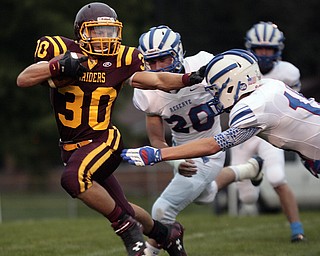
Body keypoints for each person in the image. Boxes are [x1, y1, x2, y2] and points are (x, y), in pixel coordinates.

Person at [16, 3, 207, 256]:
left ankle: (127, 229)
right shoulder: (62, 49)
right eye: (98, 32)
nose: (105, 38)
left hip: (104, 140)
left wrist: (186, 79)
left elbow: (158, 80)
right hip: (72, 149)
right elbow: (24, 79)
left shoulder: (123, 58)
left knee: (73, 180)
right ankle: (166, 234)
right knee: (121, 205)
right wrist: (58, 66)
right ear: (81, 33)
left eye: (109, 31)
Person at [121, 48, 320, 218]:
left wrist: (159, 154)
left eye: (217, 88)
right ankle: (245, 171)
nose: (214, 95)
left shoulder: (250, 109)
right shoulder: (269, 86)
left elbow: (213, 145)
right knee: (204, 195)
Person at [133, 25, 227, 255]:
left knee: (162, 210)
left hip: (211, 150)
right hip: (181, 152)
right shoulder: (147, 93)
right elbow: (156, 138)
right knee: (206, 195)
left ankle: (148, 253)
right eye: (151, 62)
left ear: (178, 53)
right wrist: (175, 162)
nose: (157, 68)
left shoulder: (203, 65)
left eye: (163, 60)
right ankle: (249, 169)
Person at [228, 21, 305, 242]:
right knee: (249, 197)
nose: (263, 54)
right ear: (250, 49)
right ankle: (255, 170)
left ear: (277, 50)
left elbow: (295, 109)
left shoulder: (288, 73)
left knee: (278, 178)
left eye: (268, 49)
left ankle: (297, 231)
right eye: (259, 49)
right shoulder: (239, 69)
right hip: (243, 133)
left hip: (270, 135)